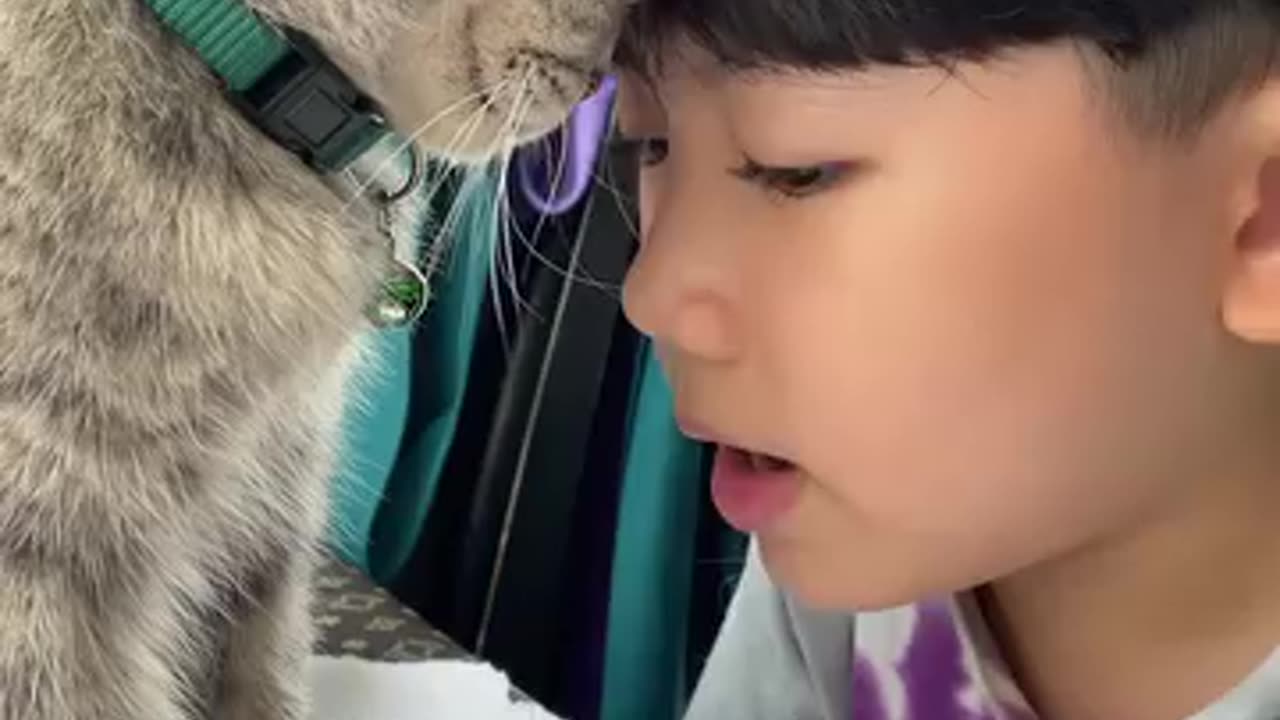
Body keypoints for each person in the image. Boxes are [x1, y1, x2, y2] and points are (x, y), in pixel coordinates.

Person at [610, 2, 1280, 718]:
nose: (648, 294)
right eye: (653, 144)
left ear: (1261, 221)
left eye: (796, 172)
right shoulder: (873, 553)